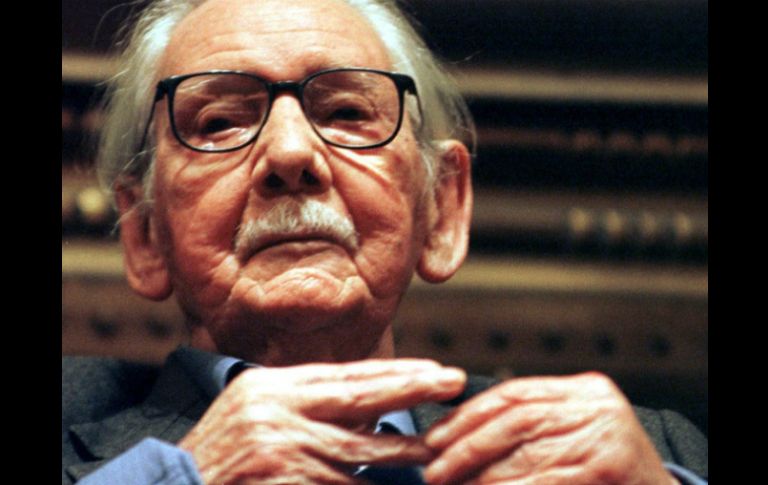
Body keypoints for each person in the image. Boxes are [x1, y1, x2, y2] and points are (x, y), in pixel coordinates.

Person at [62, 0, 708, 483]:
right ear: (145, 234)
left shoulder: (651, 453)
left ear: (442, 207)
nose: (290, 153)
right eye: (219, 122)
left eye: (346, 112)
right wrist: (183, 476)